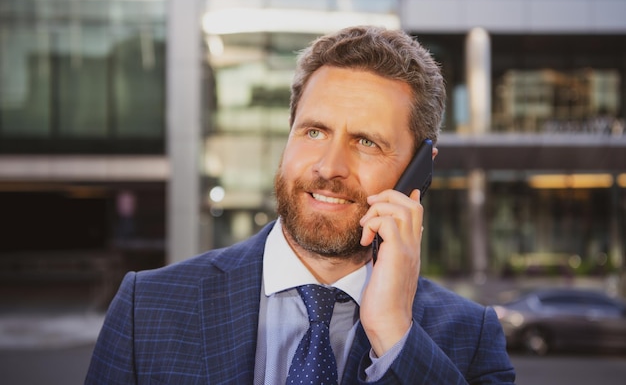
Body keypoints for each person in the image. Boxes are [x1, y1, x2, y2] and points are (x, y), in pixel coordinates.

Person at [85, 25, 516, 384]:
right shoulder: (147, 307)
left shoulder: (470, 337)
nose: (330, 168)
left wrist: (395, 335)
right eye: (314, 132)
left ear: (420, 171)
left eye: (366, 142)